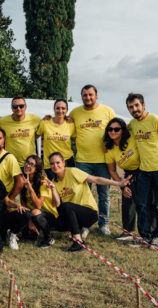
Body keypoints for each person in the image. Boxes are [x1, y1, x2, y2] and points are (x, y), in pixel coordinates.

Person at [49, 152, 130, 251]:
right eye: (52, 163)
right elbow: (57, 204)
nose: (55, 166)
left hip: (89, 213)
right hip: (74, 214)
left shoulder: (73, 172)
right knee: (58, 222)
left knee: (67, 206)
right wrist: (52, 189)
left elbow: (96, 179)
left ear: (64, 163)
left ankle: (78, 242)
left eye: (58, 162)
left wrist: (118, 183)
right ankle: (77, 229)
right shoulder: (54, 181)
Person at [70, 84, 116, 235]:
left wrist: (110, 145)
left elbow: (117, 130)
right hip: (83, 161)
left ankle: (103, 224)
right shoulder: (75, 113)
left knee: (104, 195)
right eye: (85, 95)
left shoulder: (107, 111)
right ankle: (86, 224)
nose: (88, 97)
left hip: (103, 161)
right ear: (81, 97)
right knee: (85, 195)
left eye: (90, 95)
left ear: (96, 95)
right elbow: (65, 127)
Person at [126, 93, 158, 247]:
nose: (134, 109)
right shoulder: (133, 124)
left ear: (144, 105)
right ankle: (145, 236)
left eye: (136, 105)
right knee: (141, 204)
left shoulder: (155, 120)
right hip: (144, 172)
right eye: (131, 107)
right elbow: (119, 130)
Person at [104, 117, 140, 240]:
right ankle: (127, 232)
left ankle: (151, 233)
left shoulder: (131, 138)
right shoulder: (109, 149)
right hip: (128, 175)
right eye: (110, 129)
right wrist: (122, 185)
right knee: (127, 198)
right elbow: (112, 171)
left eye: (116, 129)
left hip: (144, 171)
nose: (113, 131)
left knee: (146, 203)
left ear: (123, 130)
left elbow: (133, 124)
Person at [20, 155, 61, 248]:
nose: (27, 165)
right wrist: (29, 220)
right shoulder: (23, 180)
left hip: (50, 216)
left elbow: (38, 205)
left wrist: (30, 189)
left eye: (31, 164)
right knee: (28, 236)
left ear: (37, 168)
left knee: (35, 211)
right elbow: (23, 203)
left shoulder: (43, 181)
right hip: (34, 215)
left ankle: (49, 238)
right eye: (27, 162)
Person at [36, 98, 76, 180]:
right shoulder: (45, 123)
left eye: (63, 108)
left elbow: (77, 140)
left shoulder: (70, 124)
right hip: (50, 163)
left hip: (67, 161)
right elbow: (35, 136)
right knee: (53, 188)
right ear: (54, 109)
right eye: (58, 108)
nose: (60, 111)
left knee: (68, 189)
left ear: (67, 110)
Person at [0, 96, 40, 169]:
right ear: (11, 108)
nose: (18, 108)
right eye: (15, 106)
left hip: (30, 163)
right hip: (11, 163)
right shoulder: (2, 121)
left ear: (26, 107)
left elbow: (45, 127)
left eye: (21, 106)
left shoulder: (34, 119)